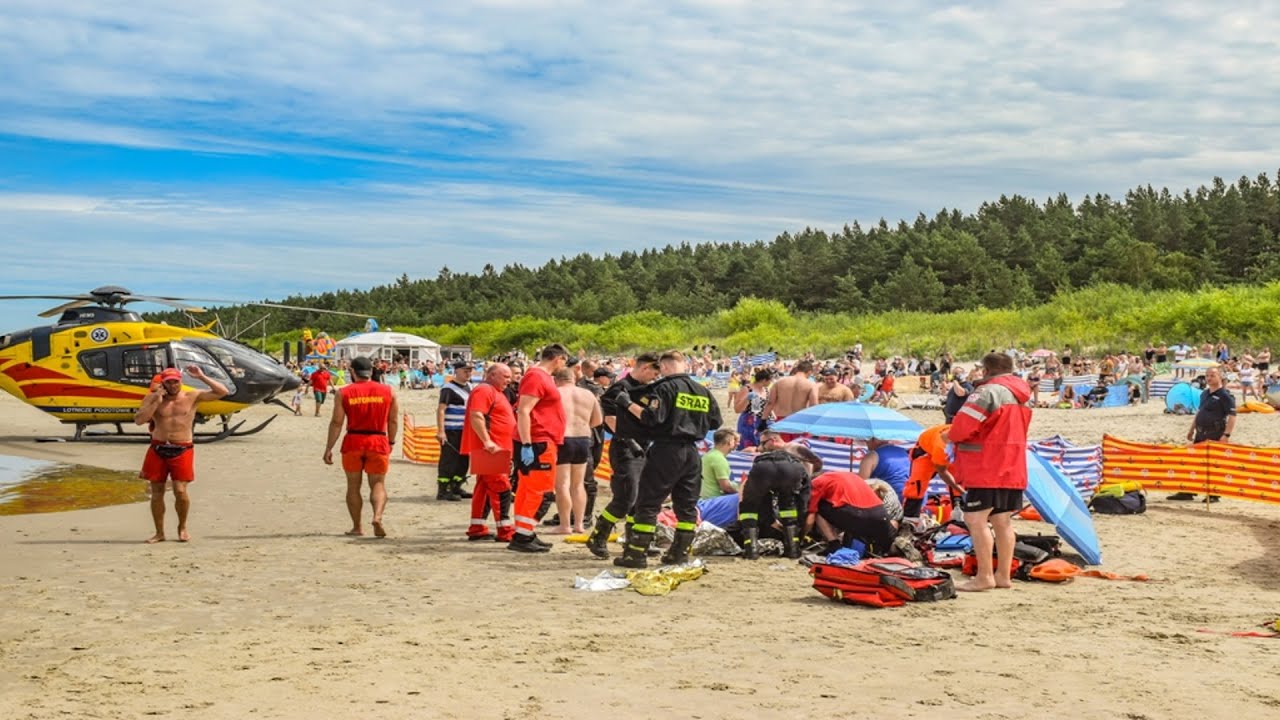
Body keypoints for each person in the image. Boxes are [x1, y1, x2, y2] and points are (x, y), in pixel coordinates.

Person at [611, 350, 722, 568]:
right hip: (692, 453)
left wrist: (627, 404)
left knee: (648, 503)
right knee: (687, 506)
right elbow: (715, 422)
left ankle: (636, 555)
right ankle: (679, 554)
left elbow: (651, 418)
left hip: (666, 450)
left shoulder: (664, 388)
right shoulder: (703, 392)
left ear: (664, 367)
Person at [948, 352, 1032, 592]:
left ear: (986, 370)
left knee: (975, 519)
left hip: (986, 465)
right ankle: (1003, 575)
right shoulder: (1021, 394)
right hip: (1012, 464)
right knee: (1002, 521)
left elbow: (963, 427)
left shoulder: (987, 392)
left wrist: (950, 436)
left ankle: (984, 576)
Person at [134, 366, 229, 543]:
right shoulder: (153, 398)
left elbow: (222, 391)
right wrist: (156, 399)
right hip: (158, 448)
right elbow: (139, 420)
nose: (173, 385)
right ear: (163, 383)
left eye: (175, 381)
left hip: (182, 448)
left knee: (180, 490)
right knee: (157, 492)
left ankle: (182, 527)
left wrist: (201, 376)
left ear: (180, 381)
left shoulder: (191, 396)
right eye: (168, 382)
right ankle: (159, 532)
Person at [583, 352, 661, 559]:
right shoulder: (618, 389)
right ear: (644, 368)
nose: (655, 377)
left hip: (647, 447)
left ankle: (634, 539)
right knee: (626, 497)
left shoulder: (652, 390)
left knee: (642, 497)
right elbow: (610, 419)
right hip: (626, 447)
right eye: (654, 373)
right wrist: (629, 438)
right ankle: (599, 535)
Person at [323, 356, 400, 538]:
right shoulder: (389, 391)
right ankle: (377, 516)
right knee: (378, 483)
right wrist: (391, 442)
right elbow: (393, 420)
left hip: (354, 441)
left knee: (353, 485)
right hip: (378, 440)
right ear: (372, 372)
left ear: (352, 372)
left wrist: (329, 448)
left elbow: (336, 422)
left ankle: (357, 527)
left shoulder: (344, 392)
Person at [509, 344, 569, 552]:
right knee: (540, 491)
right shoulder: (537, 377)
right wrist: (527, 443)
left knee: (528, 489)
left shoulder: (540, 377)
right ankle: (523, 536)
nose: (565, 366)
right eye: (565, 361)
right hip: (538, 441)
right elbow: (524, 411)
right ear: (558, 358)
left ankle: (524, 532)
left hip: (540, 440)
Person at [461, 363, 516, 542]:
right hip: (490, 450)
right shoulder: (485, 390)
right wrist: (487, 441)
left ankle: (477, 527)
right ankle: (505, 530)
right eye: (505, 376)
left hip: (493, 449)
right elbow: (476, 415)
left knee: (484, 488)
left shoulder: (494, 392)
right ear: (491, 375)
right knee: (501, 487)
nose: (509, 380)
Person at [737, 430, 813, 559]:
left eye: (762, 444)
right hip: (792, 469)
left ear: (773, 440)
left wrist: (769, 519)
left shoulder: (792, 448)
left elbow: (760, 499)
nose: (760, 448)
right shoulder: (796, 449)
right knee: (789, 507)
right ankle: (793, 549)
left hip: (765, 468)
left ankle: (751, 550)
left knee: (749, 508)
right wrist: (801, 517)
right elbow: (804, 494)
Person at [1168, 366, 1236, 502]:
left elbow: (1232, 416)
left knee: (1213, 463)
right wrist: (1191, 429)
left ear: (1220, 377)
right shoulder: (1204, 394)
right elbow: (1200, 412)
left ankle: (1214, 494)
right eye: (1207, 376)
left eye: (1212, 375)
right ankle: (1188, 491)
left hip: (1215, 432)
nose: (1209, 378)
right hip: (1200, 432)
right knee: (1194, 462)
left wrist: (1226, 435)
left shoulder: (1225, 395)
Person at [551, 368, 602, 534]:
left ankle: (565, 525)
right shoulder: (588, 394)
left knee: (562, 485)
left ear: (557, 379)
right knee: (578, 484)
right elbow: (598, 420)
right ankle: (579, 524)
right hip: (583, 438)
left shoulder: (556, 393)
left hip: (563, 438)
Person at [804, 471, 896, 556]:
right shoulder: (847, 476)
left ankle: (834, 544)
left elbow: (810, 518)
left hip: (860, 515)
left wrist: (801, 536)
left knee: (818, 506)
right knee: (890, 547)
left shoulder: (816, 483)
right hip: (881, 514)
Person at [903, 423, 962, 518]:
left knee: (959, 483)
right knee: (917, 485)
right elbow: (942, 472)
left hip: (949, 451)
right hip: (925, 450)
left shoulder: (973, 440)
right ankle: (910, 518)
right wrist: (960, 489)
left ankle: (960, 516)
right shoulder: (942, 446)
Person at [435, 361, 474, 502]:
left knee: (463, 460)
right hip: (451, 429)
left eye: (470, 370)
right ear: (456, 371)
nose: (468, 373)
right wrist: (441, 431)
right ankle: (443, 489)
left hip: (465, 430)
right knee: (449, 460)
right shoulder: (448, 389)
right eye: (465, 370)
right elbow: (441, 409)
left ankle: (457, 485)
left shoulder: (470, 386)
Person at [762, 360, 817, 430]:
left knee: (781, 441)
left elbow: (770, 403)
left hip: (781, 419)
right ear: (809, 372)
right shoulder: (811, 385)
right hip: (800, 420)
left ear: (797, 369)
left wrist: (763, 419)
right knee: (796, 441)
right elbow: (814, 406)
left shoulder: (779, 382)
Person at [858, 437, 910, 502]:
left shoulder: (871, 457)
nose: (866, 442)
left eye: (868, 439)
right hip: (910, 499)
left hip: (888, 502)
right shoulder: (905, 452)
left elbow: (861, 486)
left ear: (875, 440)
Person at [733, 368, 771, 449]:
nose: (771, 382)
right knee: (749, 447)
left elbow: (767, 406)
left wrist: (773, 418)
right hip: (748, 423)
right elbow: (737, 409)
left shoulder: (766, 390)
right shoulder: (747, 389)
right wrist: (747, 399)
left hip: (763, 422)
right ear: (764, 380)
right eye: (770, 380)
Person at [700, 429, 739, 498]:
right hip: (714, 500)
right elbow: (726, 487)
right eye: (734, 440)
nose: (736, 443)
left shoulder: (708, 455)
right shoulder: (718, 459)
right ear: (729, 442)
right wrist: (740, 495)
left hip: (705, 499)